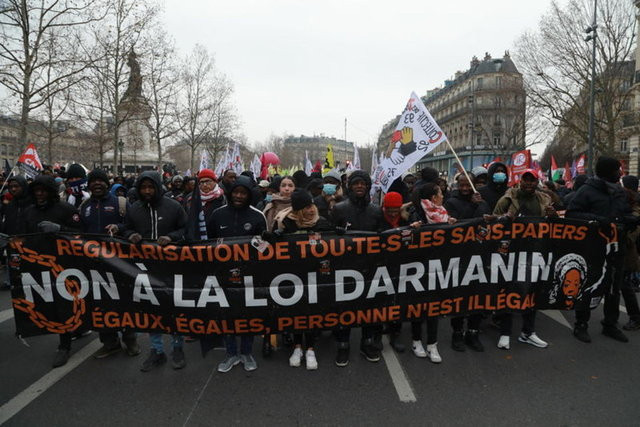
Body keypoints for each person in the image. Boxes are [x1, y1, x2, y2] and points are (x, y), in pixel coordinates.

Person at [120, 171, 188, 371]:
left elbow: (186, 230)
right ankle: (157, 351)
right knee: (150, 311)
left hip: (171, 269)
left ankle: (177, 348)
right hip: (144, 270)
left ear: (158, 187)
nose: (147, 191)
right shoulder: (134, 209)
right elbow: (126, 228)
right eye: (143, 187)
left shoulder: (174, 207)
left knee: (174, 309)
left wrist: (172, 238)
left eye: (151, 187)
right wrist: (130, 234)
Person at [567, 156, 633, 343]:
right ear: (607, 171)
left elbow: (623, 213)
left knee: (613, 287)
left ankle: (610, 325)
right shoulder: (587, 190)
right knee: (589, 285)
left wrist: (630, 220)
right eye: (617, 169)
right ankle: (581, 324)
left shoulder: (619, 191)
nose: (621, 172)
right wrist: (598, 221)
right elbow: (573, 213)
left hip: (616, 247)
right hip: (594, 248)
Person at [207, 175, 267, 373]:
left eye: (243, 193)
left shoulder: (258, 216)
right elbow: (208, 244)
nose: (239, 196)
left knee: (247, 314)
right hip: (223, 275)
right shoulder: (217, 214)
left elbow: (264, 248)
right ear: (231, 193)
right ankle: (231, 353)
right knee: (226, 314)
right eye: (236, 192)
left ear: (249, 194)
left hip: (249, 275)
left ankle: (247, 352)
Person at [79, 169, 140, 359]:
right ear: (89, 185)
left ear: (107, 184)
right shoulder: (85, 206)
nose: (97, 184)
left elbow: (132, 226)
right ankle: (109, 342)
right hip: (94, 265)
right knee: (100, 305)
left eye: (101, 181)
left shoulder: (120, 203)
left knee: (123, 302)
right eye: (93, 181)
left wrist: (119, 228)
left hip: (119, 263)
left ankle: (130, 340)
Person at [24, 175, 83, 368]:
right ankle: (68, 333)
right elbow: (23, 236)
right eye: (36, 191)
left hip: (64, 266)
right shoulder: (29, 211)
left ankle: (64, 345)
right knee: (51, 305)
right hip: (39, 265)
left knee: (64, 304)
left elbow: (81, 234)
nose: (39, 194)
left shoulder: (66, 209)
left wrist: (60, 229)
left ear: (50, 192)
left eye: (43, 191)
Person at [493, 169, 554, 350]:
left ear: (537, 182)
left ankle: (528, 332)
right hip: (511, 252)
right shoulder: (507, 199)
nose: (529, 183)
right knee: (508, 291)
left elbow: (552, 224)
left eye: (532, 180)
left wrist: (553, 217)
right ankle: (505, 332)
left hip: (535, 251)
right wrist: (505, 219)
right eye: (526, 180)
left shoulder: (544, 199)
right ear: (520, 181)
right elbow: (492, 221)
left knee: (532, 291)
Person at [274, 189, 332, 370]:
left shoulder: (321, 222)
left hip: (316, 275)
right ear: (298, 210)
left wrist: (339, 233)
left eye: (312, 205)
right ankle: (297, 347)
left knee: (312, 311)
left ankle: (311, 349)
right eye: (306, 207)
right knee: (297, 312)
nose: (311, 210)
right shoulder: (285, 223)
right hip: (293, 275)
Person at [330, 170, 383, 366]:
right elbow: (328, 239)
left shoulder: (376, 211)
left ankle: (367, 342)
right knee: (345, 307)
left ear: (368, 187)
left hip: (369, 268)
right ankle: (343, 344)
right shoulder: (339, 209)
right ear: (349, 186)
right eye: (356, 183)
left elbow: (384, 238)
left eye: (363, 183)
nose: (359, 186)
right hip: (345, 267)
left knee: (369, 308)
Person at [444, 172, 490, 352]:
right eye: (461, 185)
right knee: (460, 296)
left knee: (478, 295)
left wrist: (483, 207)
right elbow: (459, 225)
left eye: (467, 185)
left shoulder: (482, 201)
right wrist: (472, 206)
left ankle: (473, 332)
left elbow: (486, 221)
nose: (464, 188)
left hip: (479, 254)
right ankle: (457, 333)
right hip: (460, 255)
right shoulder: (451, 202)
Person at [619, 175, 640, 331]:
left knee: (625, 286)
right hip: (624, 252)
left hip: (627, 253)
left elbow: (633, 234)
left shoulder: (635, 206)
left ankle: (635, 318)